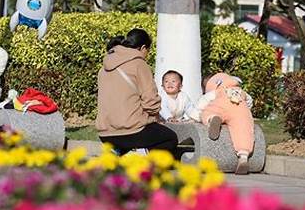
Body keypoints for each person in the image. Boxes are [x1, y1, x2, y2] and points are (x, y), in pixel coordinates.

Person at [96, 28, 180, 158]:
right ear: (143, 47)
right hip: (132, 131)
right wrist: (155, 117)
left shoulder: (104, 68)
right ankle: (136, 155)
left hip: (105, 134)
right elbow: (151, 101)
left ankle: (118, 152)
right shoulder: (139, 64)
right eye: (148, 50)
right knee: (170, 138)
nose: (147, 54)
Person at [189, 72, 254, 174]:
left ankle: (212, 119)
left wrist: (193, 117)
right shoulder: (240, 91)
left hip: (221, 107)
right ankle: (243, 157)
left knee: (208, 112)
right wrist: (246, 111)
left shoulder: (216, 91)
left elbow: (202, 103)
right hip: (240, 109)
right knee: (243, 130)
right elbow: (249, 101)